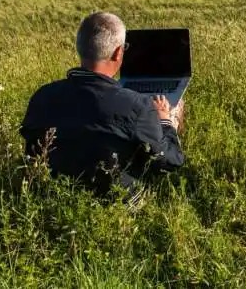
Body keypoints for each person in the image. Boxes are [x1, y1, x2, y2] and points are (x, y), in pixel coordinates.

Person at [21, 12, 186, 206]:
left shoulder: (42, 96)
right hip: (116, 206)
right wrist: (167, 122)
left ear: (79, 48)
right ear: (118, 53)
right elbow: (169, 161)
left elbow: (31, 151)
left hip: (52, 201)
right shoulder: (137, 105)